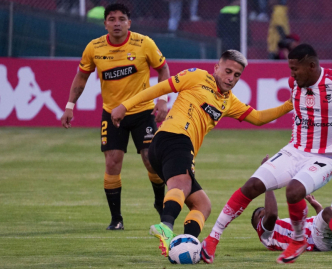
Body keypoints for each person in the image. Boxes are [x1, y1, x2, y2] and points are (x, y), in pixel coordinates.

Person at [201, 43, 332, 264]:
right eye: (290, 68)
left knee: (294, 191)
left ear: (312, 66)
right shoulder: (294, 83)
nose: (291, 74)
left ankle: (298, 239)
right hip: (294, 150)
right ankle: (212, 239)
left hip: (325, 157)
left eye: (295, 68)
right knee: (252, 185)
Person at [110, 50, 294, 257]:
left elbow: (258, 118)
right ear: (216, 67)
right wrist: (124, 106)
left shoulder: (228, 101)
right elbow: (160, 88)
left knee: (202, 205)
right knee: (183, 184)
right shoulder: (197, 76)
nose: (230, 78)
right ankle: (166, 225)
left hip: (169, 148)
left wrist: (290, 104)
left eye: (236, 75)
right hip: (174, 138)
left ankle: (184, 245)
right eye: (227, 71)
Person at [60, 3, 171, 231]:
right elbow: (81, 78)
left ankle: (160, 203)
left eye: (122, 19)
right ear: (105, 24)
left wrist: (162, 100)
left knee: (151, 161)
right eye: (112, 19)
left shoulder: (144, 43)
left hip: (143, 113)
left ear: (129, 23)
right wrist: (70, 105)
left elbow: (163, 69)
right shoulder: (94, 48)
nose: (117, 23)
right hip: (112, 115)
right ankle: (116, 219)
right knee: (112, 163)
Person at [252, 110, 332, 254]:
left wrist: (317, 207)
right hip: (324, 241)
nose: (265, 212)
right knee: (328, 212)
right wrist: (267, 182)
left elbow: (322, 224)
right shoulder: (265, 235)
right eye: (260, 215)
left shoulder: (286, 226)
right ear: (257, 226)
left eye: (263, 211)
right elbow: (272, 214)